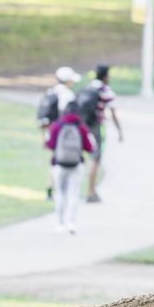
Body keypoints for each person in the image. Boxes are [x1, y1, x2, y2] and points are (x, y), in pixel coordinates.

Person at [45, 101, 95, 234]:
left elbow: (49, 145)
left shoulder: (57, 125)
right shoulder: (81, 127)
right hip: (76, 165)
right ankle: (72, 223)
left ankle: (60, 223)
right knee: (74, 194)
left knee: (60, 193)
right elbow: (89, 147)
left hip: (58, 165)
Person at [81, 64, 123, 203]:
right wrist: (119, 131)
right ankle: (90, 192)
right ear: (105, 76)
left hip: (82, 126)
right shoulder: (105, 90)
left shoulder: (88, 87)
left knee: (85, 158)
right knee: (95, 159)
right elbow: (113, 112)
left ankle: (88, 190)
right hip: (96, 126)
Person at [40, 66, 82, 201]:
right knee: (61, 161)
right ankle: (59, 190)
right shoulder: (67, 95)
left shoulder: (51, 92)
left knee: (53, 160)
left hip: (49, 131)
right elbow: (68, 117)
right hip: (61, 133)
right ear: (68, 81)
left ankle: (50, 190)